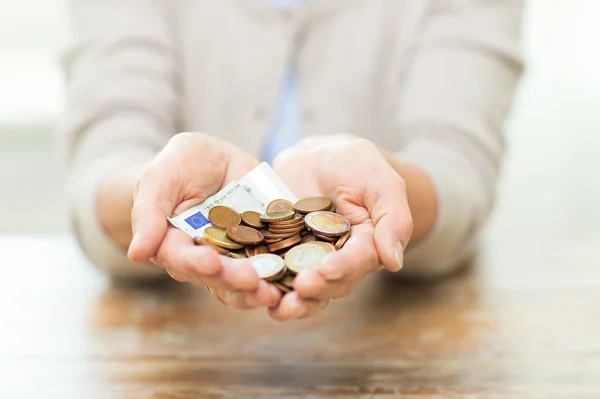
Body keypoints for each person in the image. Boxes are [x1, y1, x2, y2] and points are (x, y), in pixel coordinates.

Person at [61, 0, 523, 321]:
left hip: (390, 332)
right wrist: (151, 188)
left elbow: (458, 174)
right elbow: (104, 157)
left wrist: (386, 186)